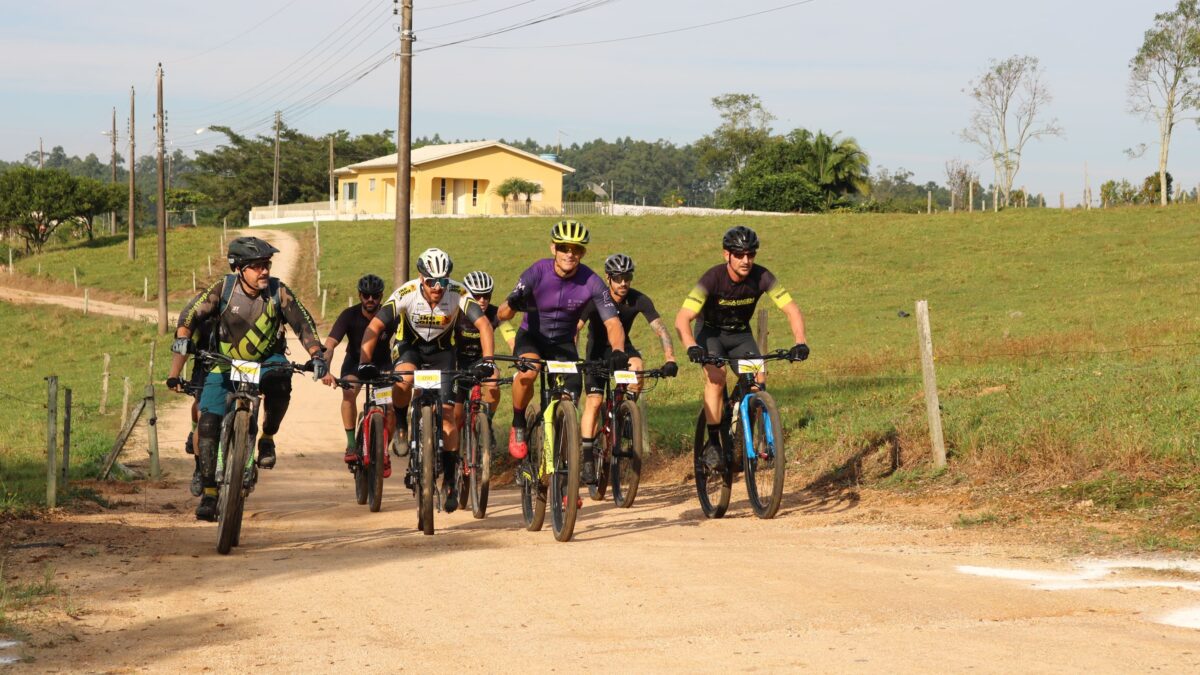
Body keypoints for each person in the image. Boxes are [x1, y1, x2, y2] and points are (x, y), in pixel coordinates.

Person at [166, 236, 328, 521]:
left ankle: (267, 438)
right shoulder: (224, 289)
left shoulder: (279, 292)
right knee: (207, 424)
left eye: (266, 264)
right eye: (256, 266)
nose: (264, 271)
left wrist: (316, 353)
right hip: (223, 363)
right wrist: (182, 339)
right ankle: (210, 493)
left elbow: (303, 323)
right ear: (239, 268)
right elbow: (190, 314)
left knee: (281, 379)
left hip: (266, 361)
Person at [358, 248, 495, 514]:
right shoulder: (406, 293)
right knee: (405, 380)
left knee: (447, 416)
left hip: (443, 353)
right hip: (410, 348)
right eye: (432, 281)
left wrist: (488, 360)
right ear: (422, 278)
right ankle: (400, 421)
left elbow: (484, 326)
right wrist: (364, 361)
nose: (437, 287)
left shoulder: (457, 292)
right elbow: (375, 327)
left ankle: (451, 479)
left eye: (442, 281)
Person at [673, 225, 809, 472]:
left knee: (758, 379)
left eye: (750, 254)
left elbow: (792, 309)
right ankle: (713, 442)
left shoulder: (762, 276)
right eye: (739, 254)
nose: (746, 260)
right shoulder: (712, 278)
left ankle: (740, 437)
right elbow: (682, 318)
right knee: (717, 377)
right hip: (711, 334)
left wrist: (800, 342)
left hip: (740, 335)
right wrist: (691, 346)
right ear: (727, 255)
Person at [496, 219, 628, 461]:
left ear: (582, 252)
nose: (570, 254)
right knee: (529, 372)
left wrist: (618, 350)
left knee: (570, 401)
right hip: (532, 338)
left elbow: (613, 322)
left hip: (564, 345)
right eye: (564, 247)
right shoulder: (536, 272)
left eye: (576, 249)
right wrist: (513, 303)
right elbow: (502, 314)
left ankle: (566, 473)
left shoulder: (592, 281)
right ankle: (518, 423)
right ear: (553, 249)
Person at [577, 253, 678, 484]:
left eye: (628, 277)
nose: (624, 283)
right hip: (596, 353)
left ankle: (625, 414)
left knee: (638, 367)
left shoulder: (639, 299)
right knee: (593, 402)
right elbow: (577, 328)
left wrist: (670, 358)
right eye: (618, 278)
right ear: (608, 278)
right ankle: (587, 459)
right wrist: (574, 357)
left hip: (622, 350)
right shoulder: (595, 299)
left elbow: (660, 329)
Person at [321, 274, 395, 469]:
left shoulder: (389, 316)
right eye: (365, 295)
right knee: (348, 392)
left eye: (375, 296)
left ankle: (384, 450)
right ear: (359, 295)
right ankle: (352, 444)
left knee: (389, 406)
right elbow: (330, 344)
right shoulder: (349, 315)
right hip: (354, 364)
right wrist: (324, 368)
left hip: (382, 366)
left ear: (381, 296)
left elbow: (403, 341)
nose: (370, 299)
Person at [452, 271, 515, 430]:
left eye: (486, 296)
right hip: (459, 360)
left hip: (483, 360)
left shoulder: (494, 313)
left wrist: (519, 357)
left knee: (493, 384)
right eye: (477, 296)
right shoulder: (456, 311)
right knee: (457, 417)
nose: (482, 301)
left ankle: (487, 423)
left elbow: (511, 337)